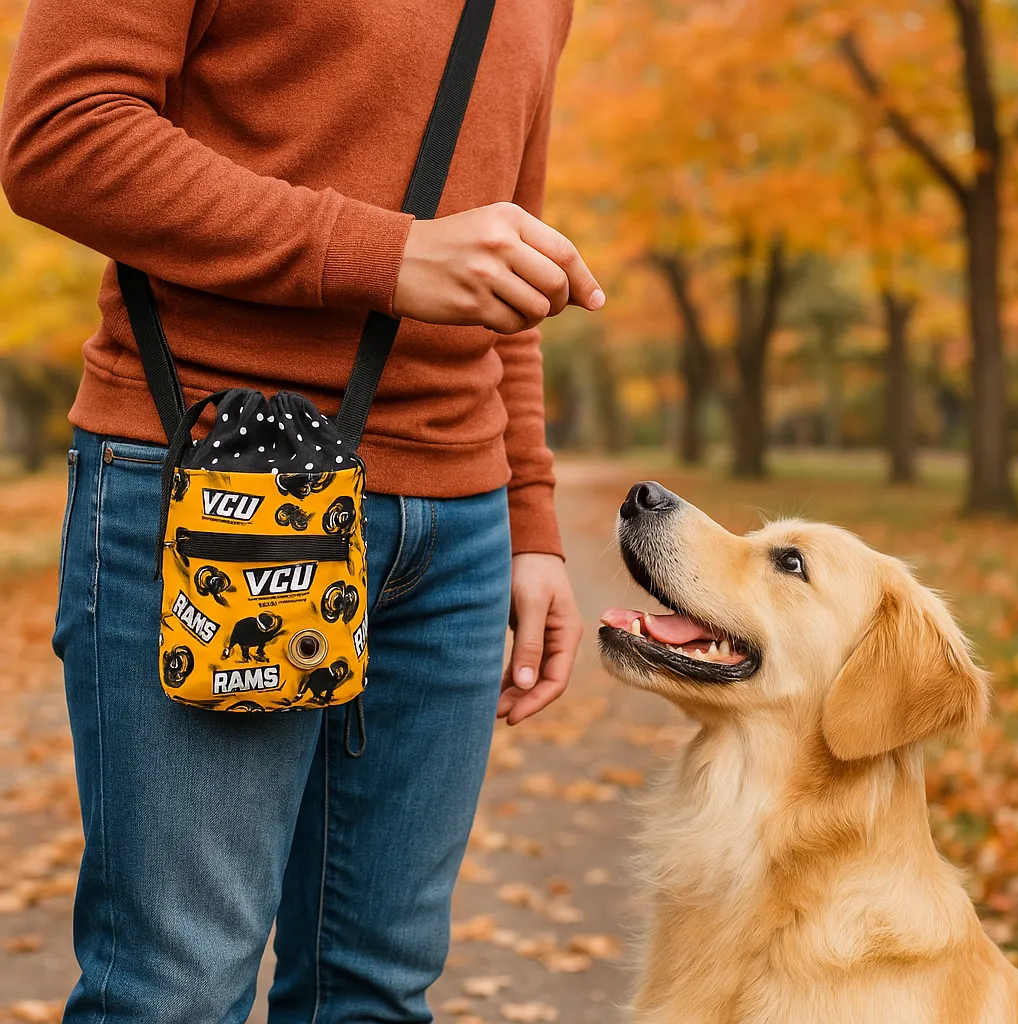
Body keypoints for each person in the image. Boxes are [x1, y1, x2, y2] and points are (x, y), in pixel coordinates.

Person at [0, 0, 603, 1020]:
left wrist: (531, 514)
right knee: (175, 992)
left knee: (374, 990)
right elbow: (61, 131)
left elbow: (507, 255)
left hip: (454, 532)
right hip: (217, 484)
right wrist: (385, 253)